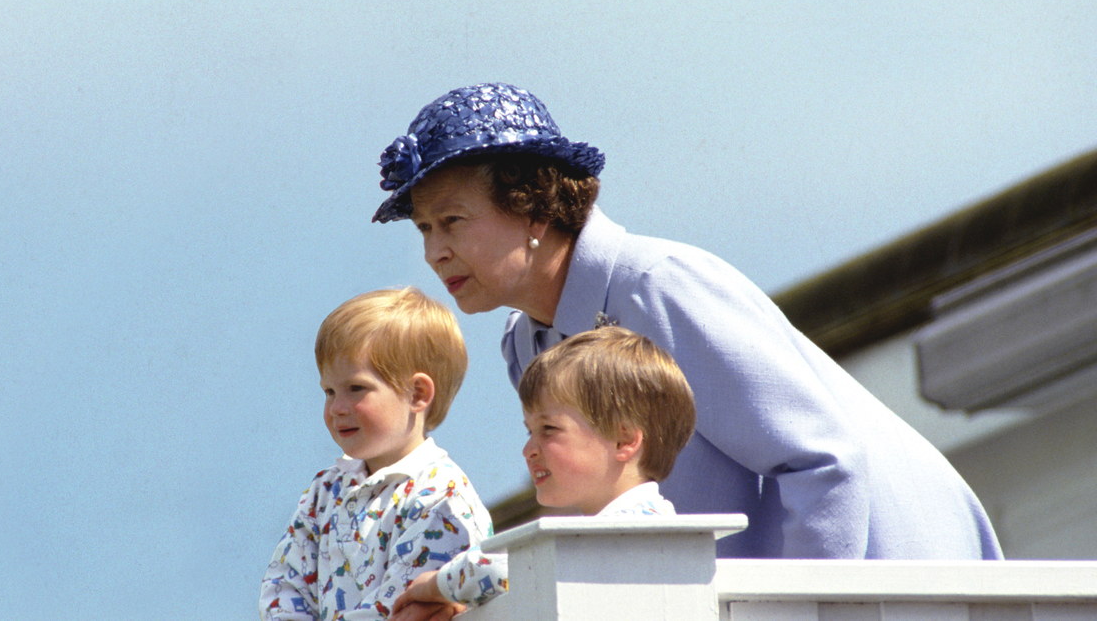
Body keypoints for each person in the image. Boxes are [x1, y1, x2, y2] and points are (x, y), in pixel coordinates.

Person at [370, 82, 1002, 560]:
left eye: (452, 221)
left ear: (532, 207)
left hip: (899, 578)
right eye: (425, 228)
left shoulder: (657, 285)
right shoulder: (527, 341)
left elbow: (822, 460)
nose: (434, 252)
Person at [389, 325, 696, 620]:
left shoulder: (636, 528)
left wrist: (436, 586)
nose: (529, 450)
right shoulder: (629, 528)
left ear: (624, 440)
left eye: (549, 429)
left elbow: (508, 569)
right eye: (529, 432)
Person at [259, 288, 494, 620]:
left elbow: (406, 603)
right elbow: (285, 585)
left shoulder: (442, 497)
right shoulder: (325, 491)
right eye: (329, 391)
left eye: (356, 388)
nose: (337, 408)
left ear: (418, 393)